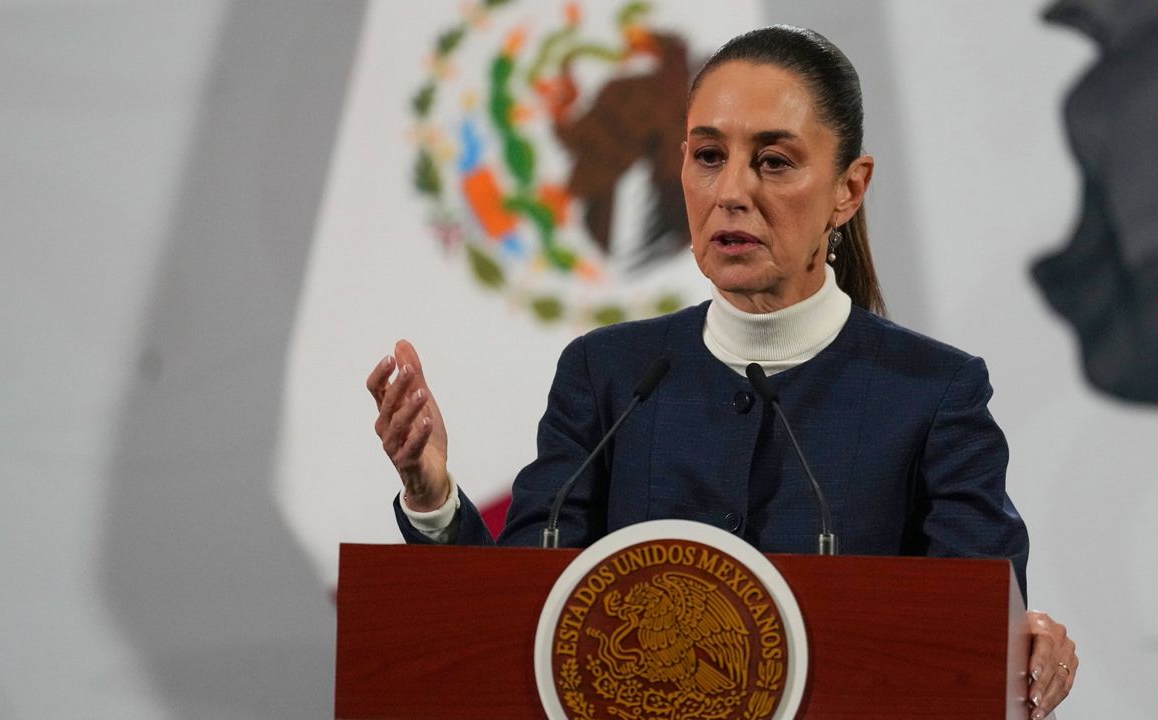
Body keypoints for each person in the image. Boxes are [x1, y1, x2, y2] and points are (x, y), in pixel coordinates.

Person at [366, 25, 1078, 718]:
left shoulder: (932, 394)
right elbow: (520, 621)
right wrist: (434, 501)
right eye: (709, 156)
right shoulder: (608, 376)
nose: (732, 191)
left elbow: (971, 637)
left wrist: (1017, 643)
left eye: (774, 162)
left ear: (849, 189)